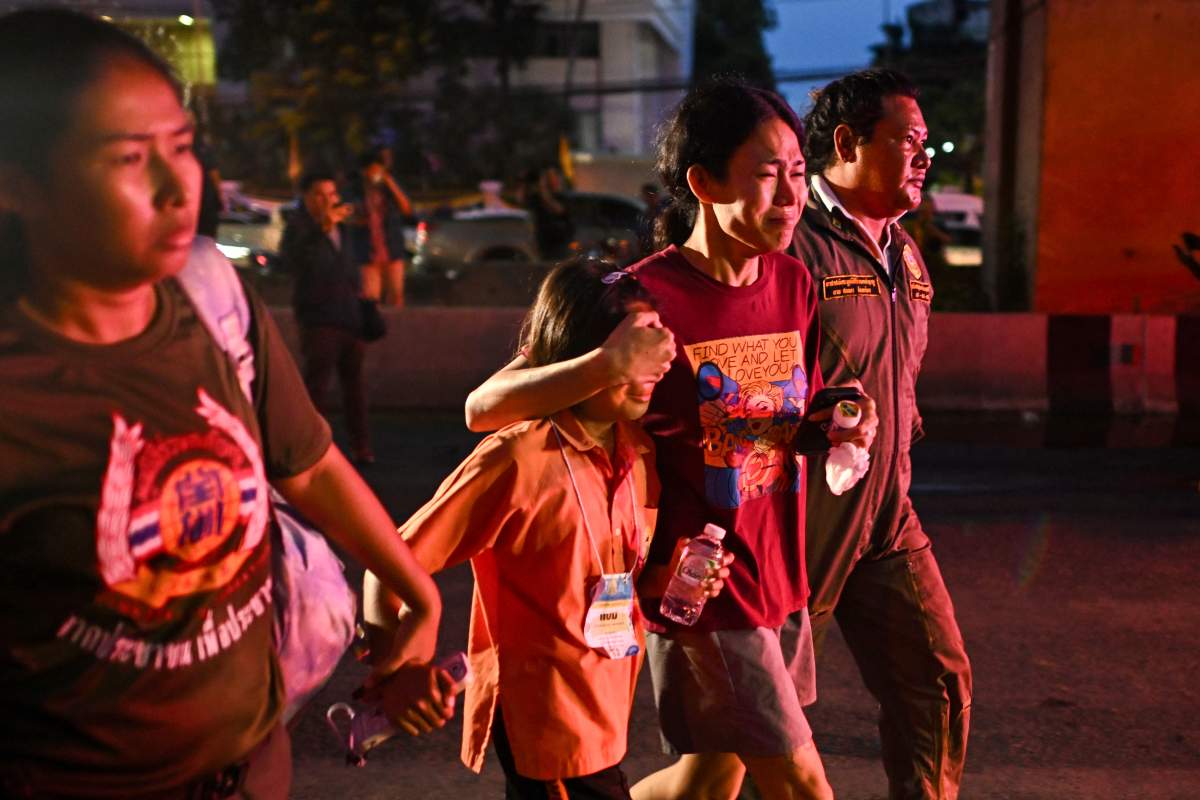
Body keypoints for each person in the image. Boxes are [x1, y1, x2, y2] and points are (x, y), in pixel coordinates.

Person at [0, 10, 447, 798]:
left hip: (249, 767)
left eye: (181, 147)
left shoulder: (207, 298)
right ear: (18, 184)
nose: (181, 188)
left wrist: (416, 591)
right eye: (131, 159)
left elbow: (307, 463)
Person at [464, 79, 879, 800]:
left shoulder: (792, 282)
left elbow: (788, 417)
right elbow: (484, 406)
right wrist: (603, 362)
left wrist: (839, 418)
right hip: (700, 590)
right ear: (703, 182)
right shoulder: (640, 297)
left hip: (779, 573)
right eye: (767, 175)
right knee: (801, 782)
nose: (790, 197)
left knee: (712, 774)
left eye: (798, 176)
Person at [364, 257, 732, 798]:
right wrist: (392, 663)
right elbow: (392, 560)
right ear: (585, 356)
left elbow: (621, 581)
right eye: (635, 351)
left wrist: (671, 580)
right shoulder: (519, 458)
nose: (656, 367)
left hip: (607, 715)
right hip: (548, 727)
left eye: (658, 345)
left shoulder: (638, 450)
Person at [790, 68, 972, 800]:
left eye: (929, 143)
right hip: (802, 518)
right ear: (847, 142)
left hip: (889, 515)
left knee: (936, 681)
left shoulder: (907, 255)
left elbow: (898, 375)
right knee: (762, 719)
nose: (927, 157)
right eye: (910, 140)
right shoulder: (791, 241)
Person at [280, 170, 375, 466]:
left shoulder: (341, 227)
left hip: (349, 316)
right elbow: (291, 262)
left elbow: (349, 265)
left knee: (355, 387)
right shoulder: (299, 227)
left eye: (332, 195)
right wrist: (321, 227)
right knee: (316, 387)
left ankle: (361, 447)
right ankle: (311, 451)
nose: (328, 201)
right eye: (320, 195)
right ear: (307, 198)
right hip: (319, 318)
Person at [350, 146, 412, 307]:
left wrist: (389, 181)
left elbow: (406, 208)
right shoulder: (354, 190)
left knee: (396, 296)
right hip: (367, 253)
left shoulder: (388, 190)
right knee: (370, 299)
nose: (375, 175)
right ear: (363, 171)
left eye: (378, 170)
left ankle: (397, 328)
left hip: (392, 250)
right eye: (372, 170)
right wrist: (354, 218)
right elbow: (345, 214)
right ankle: (374, 329)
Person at [528, 165, 576, 260]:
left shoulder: (564, 197)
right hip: (544, 243)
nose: (553, 180)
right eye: (549, 177)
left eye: (554, 176)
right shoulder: (536, 199)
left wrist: (543, 190)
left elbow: (559, 210)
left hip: (561, 243)